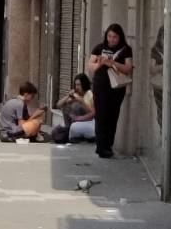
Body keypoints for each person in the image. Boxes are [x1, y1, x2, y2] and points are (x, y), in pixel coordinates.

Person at [88, 23, 134, 159]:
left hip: (116, 88)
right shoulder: (99, 48)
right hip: (100, 87)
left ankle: (108, 145)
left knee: (112, 116)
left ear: (120, 37)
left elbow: (128, 68)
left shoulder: (126, 50)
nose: (111, 39)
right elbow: (90, 66)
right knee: (101, 116)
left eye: (115, 37)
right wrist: (101, 63)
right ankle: (101, 147)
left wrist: (112, 63)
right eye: (109, 36)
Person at [57, 73, 96, 142]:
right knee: (66, 106)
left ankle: (72, 133)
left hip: (87, 120)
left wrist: (81, 101)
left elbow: (93, 112)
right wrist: (68, 96)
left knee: (76, 105)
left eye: (79, 85)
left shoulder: (90, 94)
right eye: (75, 85)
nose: (77, 87)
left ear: (84, 84)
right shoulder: (77, 94)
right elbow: (59, 105)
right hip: (75, 121)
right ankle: (68, 129)